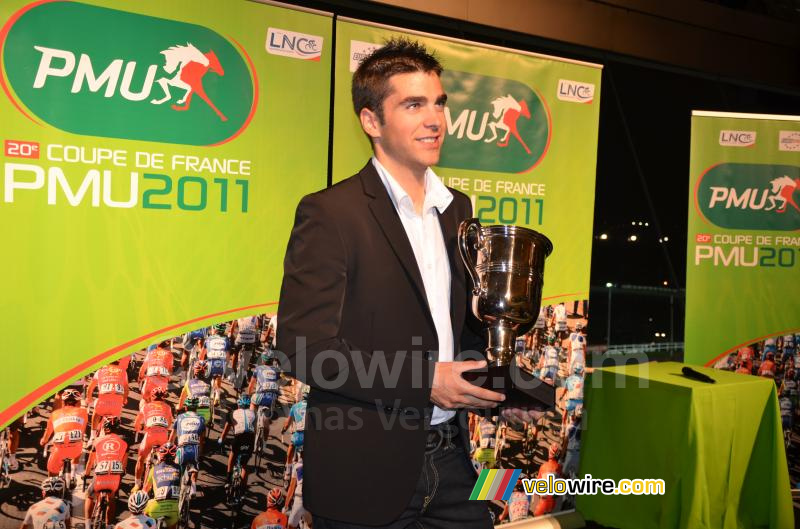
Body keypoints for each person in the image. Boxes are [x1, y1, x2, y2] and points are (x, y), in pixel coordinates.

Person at [278, 38, 506, 527]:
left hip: (453, 463)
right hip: (365, 472)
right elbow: (302, 348)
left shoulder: (458, 209)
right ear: (371, 121)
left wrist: (503, 383)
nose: (435, 119)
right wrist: (426, 381)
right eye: (414, 104)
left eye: (440, 103)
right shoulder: (330, 213)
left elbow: (456, 330)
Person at [84, 417, 128, 529]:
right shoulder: (124, 442)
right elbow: (124, 465)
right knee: (112, 498)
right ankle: (109, 525)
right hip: (113, 478)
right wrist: (121, 473)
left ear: (105, 429)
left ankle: (88, 524)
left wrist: (86, 473)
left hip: (100, 477)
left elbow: (90, 461)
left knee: (89, 496)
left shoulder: (97, 441)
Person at [39, 388, 88, 476]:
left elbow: (47, 434)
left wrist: (43, 441)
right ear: (78, 402)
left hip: (59, 450)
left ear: (63, 402)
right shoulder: (83, 412)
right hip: (76, 450)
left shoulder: (54, 414)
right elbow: (81, 430)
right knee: (79, 440)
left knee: (52, 473)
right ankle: (73, 471)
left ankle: (52, 481)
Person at [133, 386, 173, 489]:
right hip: (163, 435)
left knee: (141, 459)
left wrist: (139, 428)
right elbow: (169, 424)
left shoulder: (145, 407)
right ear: (163, 398)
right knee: (164, 459)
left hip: (150, 435)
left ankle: (137, 484)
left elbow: (137, 423)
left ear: (151, 397)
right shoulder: (168, 407)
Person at [218, 394, 256, 492]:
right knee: (244, 465)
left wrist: (221, 439)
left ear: (238, 405)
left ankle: (227, 479)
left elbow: (226, 429)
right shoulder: (253, 413)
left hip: (239, 438)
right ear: (248, 406)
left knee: (233, 455)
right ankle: (242, 490)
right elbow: (254, 431)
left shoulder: (232, 413)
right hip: (250, 439)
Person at [170, 396, 206, 497]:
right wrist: (201, 453)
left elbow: (172, 437)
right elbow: (202, 440)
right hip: (194, 448)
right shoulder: (201, 419)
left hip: (182, 448)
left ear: (185, 407)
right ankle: (193, 486)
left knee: (176, 469)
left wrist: (170, 446)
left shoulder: (180, 417)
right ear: (197, 407)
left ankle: (174, 490)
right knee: (195, 466)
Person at [85, 359, 129, 438]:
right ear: (119, 362)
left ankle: (92, 436)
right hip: (116, 406)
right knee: (116, 419)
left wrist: (89, 398)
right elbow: (126, 389)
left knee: (96, 413)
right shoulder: (123, 372)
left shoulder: (100, 371)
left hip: (102, 403)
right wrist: (124, 399)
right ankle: (113, 435)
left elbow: (90, 388)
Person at [143, 443, 181, 529]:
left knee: (144, 518)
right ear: (174, 456)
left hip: (155, 508)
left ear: (161, 455)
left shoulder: (154, 469)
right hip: (173, 509)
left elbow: (145, 490)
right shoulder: (179, 468)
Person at [280, 387, 307, 481]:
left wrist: (283, 430)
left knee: (291, 446)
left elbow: (287, 423)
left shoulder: (295, 406)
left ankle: (288, 471)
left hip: (298, 436)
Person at [285, 452, 309, 529]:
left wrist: (286, 505)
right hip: (311, 501)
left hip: (300, 498)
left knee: (291, 526)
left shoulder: (297, 466)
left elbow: (292, 487)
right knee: (310, 525)